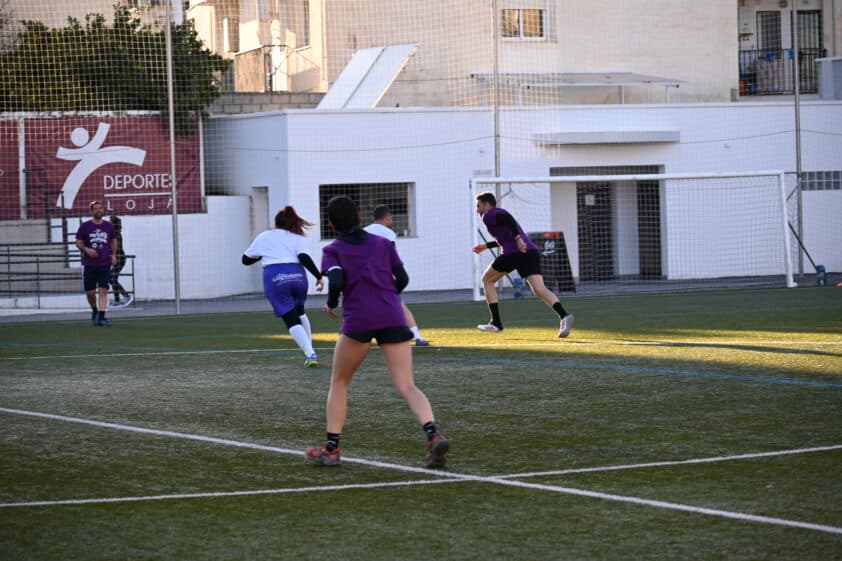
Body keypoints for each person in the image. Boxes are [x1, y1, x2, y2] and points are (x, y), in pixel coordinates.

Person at [305, 196, 449, 469]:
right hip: (392, 314)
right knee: (407, 385)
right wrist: (388, 298)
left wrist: (332, 303)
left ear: (331, 223)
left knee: (340, 382)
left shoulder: (333, 250)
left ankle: (331, 450)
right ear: (360, 217)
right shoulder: (383, 243)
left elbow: (336, 281)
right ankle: (433, 434)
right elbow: (402, 278)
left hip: (360, 317)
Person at [472, 191, 574, 338]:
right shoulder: (498, 213)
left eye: (478, 206)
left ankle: (496, 323)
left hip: (514, 253)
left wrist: (518, 239)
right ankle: (564, 315)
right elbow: (505, 235)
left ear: (487, 205)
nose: (477, 209)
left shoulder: (489, 214)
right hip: (529, 251)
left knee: (487, 280)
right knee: (539, 289)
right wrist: (486, 246)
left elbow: (508, 221)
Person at [242, 206, 325, 367]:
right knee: (300, 312)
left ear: (276, 222)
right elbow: (304, 257)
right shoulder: (298, 237)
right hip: (298, 276)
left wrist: (263, 254)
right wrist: (318, 276)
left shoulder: (264, 236)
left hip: (276, 276)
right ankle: (309, 348)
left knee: (290, 317)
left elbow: (245, 260)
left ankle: (310, 354)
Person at [364, 204, 430, 346]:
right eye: (391, 217)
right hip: (383, 277)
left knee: (360, 307)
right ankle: (418, 338)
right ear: (386, 216)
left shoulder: (364, 231)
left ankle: (347, 335)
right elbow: (391, 256)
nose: (392, 220)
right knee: (400, 306)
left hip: (365, 277)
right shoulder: (388, 233)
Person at [75, 201, 117, 327]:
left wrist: (113, 255)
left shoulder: (108, 226)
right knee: (90, 292)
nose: (99, 210)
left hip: (105, 264)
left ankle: (102, 317)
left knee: (104, 290)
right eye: (96, 209)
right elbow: (78, 242)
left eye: (100, 208)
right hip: (90, 264)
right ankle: (94, 310)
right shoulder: (85, 226)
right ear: (91, 211)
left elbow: (113, 240)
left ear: (103, 210)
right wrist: (86, 249)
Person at [109, 216, 133, 308]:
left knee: (112, 278)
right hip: (118, 258)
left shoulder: (116, 234)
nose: (108, 223)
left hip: (120, 259)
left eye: (110, 222)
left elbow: (115, 248)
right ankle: (118, 300)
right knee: (112, 279)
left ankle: (126, 296)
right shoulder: (113, 233)